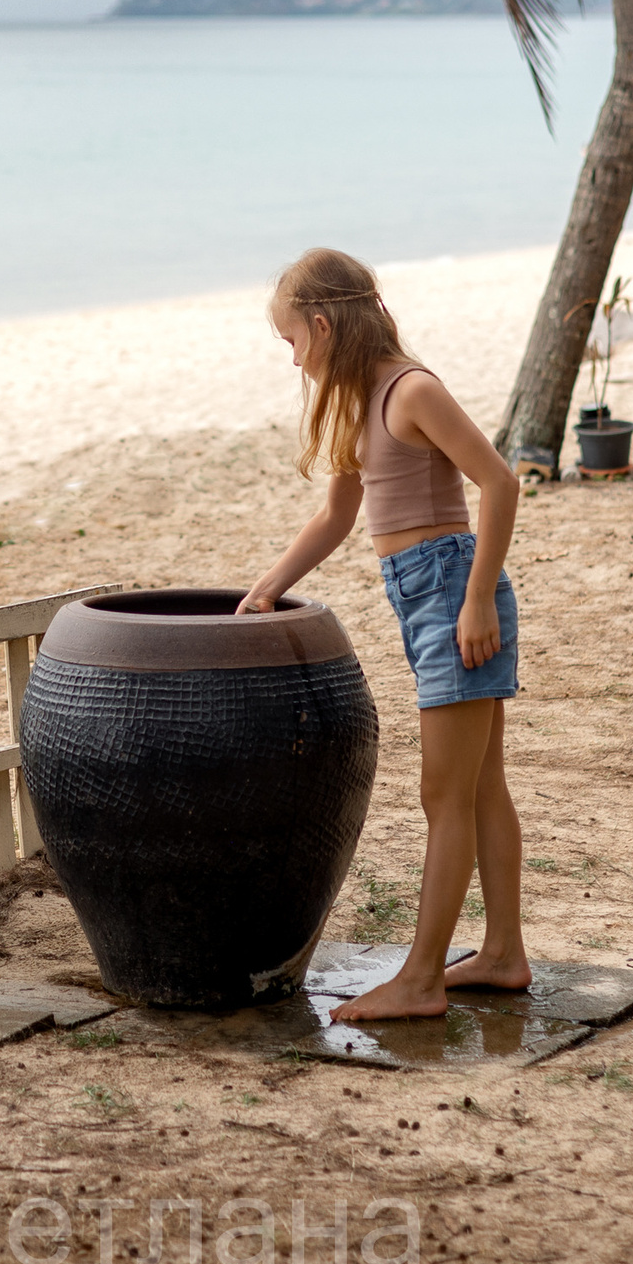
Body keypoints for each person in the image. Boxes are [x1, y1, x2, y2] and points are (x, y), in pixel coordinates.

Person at [239, 247, 528, 1020]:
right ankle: (501, 954)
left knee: (446, 793)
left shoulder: (412, 390)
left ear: (325, 325)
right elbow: (337, 515)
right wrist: (268, 586)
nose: (292, 359)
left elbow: (500, 482)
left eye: (291, 341)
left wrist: (475, 602)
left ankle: (423, 977)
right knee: (480, 784)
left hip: (451, 593)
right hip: (424, 596)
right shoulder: (356, 397)